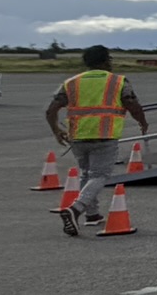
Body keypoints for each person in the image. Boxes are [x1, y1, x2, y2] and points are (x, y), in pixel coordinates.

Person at [45, 45, 150, 238]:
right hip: (105, 134)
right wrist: (142, 122)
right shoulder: (117, 81)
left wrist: (56, 131)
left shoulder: (71, 83)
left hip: (78, 136)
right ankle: (76, 209)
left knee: (87, 174)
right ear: (106, 61)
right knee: (100, 175)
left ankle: (92, 215)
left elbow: (51, 110)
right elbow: (132, 103)